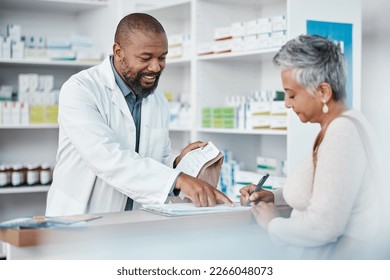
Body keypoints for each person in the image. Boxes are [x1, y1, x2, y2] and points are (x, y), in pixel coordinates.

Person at [46, 13, 233, 216]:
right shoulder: (80, 89)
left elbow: (153, 157)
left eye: (162, 57)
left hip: (134, 220)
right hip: (81, 218)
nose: (156, 67)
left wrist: (176, 162)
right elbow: (107, 158)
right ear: (119, 52)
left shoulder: (157, 99)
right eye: (146, 58)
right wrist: (178, 180)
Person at [239, 34, 384, 259]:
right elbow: (324, 189)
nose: (287, 104)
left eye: (291, 94)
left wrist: (272, 224)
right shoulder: (339, 126)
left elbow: (323, 225)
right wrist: (273, 197)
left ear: (323, 92)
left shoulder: (343, 132)